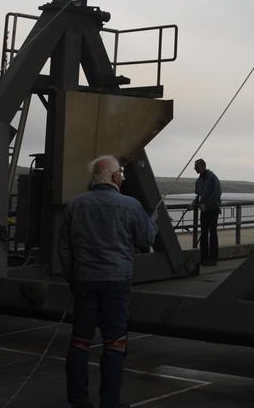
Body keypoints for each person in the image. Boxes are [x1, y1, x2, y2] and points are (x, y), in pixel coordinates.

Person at [59, 155, 156, 408]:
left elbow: (64, 249)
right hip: (116, 282)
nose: (122, 177)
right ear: (114, 177)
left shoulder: (75, 205)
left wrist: (73, 278)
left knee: (80, 340)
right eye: (121, 174)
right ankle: (109, 403)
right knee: (114, 342)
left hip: (83, 280)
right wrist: (152, 224)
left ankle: (78, 401)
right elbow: (145, 241)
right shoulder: (131, 205)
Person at [192, 158, 222, 266]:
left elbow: (217, 193)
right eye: (195, 167)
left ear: (203, 166)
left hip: (212, 210)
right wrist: (193, 204)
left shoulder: (212, 178)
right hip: (204, 210)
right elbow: (199, 195)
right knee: (204, 233)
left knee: (212, 233)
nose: (195, 169)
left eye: (197, 167)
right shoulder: (199, 180)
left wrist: (207, 205)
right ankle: (203, 257)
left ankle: (213, 258)